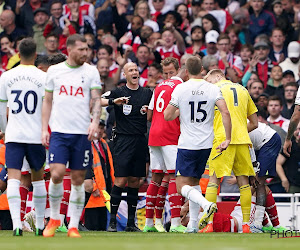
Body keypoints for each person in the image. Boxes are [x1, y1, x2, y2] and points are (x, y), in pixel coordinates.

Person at [41, 34, 102, 238]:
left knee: (77, 179)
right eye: (81, 49)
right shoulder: (55, 71)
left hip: (81, 134)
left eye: (87, 49)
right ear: (69, 49)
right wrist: (44, 129)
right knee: (56, 174)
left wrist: (95, 122)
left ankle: (73, 225)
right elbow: (47, 101)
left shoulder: (91, 71)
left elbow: (96, 100)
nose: (85, 53)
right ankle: (54, 218)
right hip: (59, 132)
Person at [164, 57, 232, 233]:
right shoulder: (212, 88)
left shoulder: (181, 88)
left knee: (181, 187)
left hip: (187, 143)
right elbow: (225, 111)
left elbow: (168, 115)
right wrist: (228, 138)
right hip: (206, 144)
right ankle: (193, 225)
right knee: (194, 182)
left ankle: (205, 203)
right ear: (202, 70)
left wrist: (181, 110)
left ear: (186, 71)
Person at [201, 69, 258, 233]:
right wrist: (239, 132)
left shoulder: (213, 90)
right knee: (244, 183)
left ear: (218, 76)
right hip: (242, 141)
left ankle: (209, 223)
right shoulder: (243, 89)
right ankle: (246, 225)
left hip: (221, 140)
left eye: (209, 79)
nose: (208, 83)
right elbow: (254, 123)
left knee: (213, 180)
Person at [0, 38, 47, 236]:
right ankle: (40, 225)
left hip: (14, 134)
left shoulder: (6, 76)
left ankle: (17, 224)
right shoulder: (43, 77)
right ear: (35, 55)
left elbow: (2, 108)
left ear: (18, 54)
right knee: (37, 180)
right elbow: (48, 108)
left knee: (13, 179)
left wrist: (4, 129)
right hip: (36, 135)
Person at [101, 62, 152, 232]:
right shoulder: (119, 91)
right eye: (130, 70)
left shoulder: (147, 93)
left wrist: (148, 111)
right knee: (121, 180)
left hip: (139, 140)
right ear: (125, 74)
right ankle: (112, 222)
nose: (134, 72)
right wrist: (113, 101)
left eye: (136, 69)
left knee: (135, 181)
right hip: (123, 140)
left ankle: (131, 223)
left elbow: (153, 113)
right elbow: (99, 100)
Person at [143, 58, 188, 233]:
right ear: (181, 71)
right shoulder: (181, 86)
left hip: (154, 134)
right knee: (173, 178)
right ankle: (176, 223)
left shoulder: (159, 86)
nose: (169, 75)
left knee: (156, 177)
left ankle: (149, 223)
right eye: (167, 72)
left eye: (170, 72)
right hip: (170, 135)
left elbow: (149, 115)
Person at [248, 122, 282, 232]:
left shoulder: (236, 128)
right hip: (257, 145)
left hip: (269, 141)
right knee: (251, 182)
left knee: (259, 180)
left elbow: (249, 147)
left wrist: (253, 171)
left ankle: (258, 223)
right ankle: (266, 225)